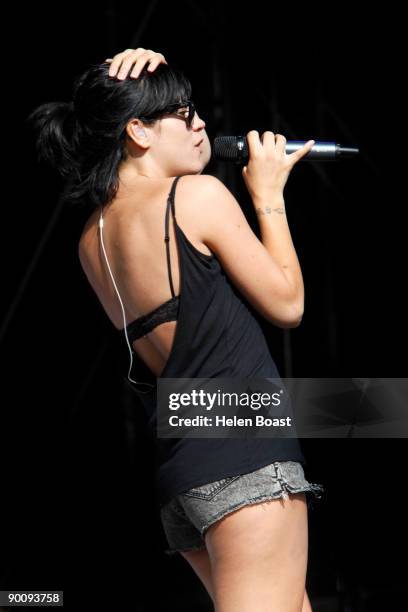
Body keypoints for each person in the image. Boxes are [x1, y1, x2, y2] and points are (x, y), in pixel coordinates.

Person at [27, 47, 324, 611]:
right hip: (244, 457)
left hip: (184, 468)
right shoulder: (197, 196)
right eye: (184, 113)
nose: (202, 123)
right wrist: (268, 198)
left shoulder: (93, 237)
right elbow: (288, 305)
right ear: (138, 131)